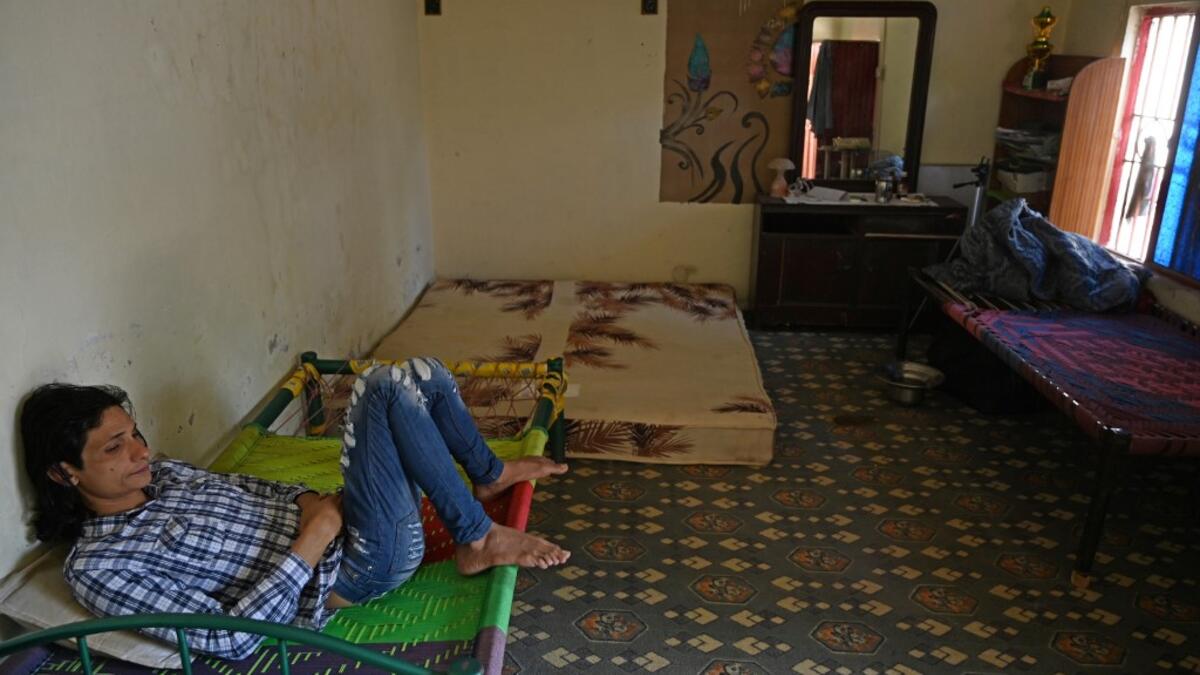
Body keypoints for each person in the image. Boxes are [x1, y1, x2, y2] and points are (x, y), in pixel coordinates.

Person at [20, 357, 570, 660]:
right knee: (381, 388)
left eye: (134, 433)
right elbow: (226, 638)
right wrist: (315, 536)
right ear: (62, 472)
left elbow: (252, 488)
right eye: (114, 448)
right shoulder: (100, 565)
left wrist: (309, 502)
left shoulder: (162, 472)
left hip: (341, 521)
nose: (140, 452)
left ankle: (489, 474)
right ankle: (477, 538)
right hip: (353, 566)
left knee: (421, 374)